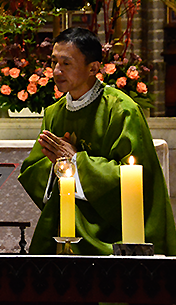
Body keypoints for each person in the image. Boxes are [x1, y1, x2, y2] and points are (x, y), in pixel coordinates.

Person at [19, 27, 176, 255]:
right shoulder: (54, 113)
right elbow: (33, 169)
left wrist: (75, 161)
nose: (56, 71)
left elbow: (136, 176)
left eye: (66, 63)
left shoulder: (121, 110)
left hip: (114, 233)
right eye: (54, 62)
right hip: (66, 227)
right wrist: (60, 166)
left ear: (93, 68)